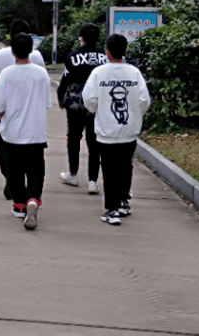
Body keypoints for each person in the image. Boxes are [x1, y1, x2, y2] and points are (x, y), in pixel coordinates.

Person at [83, 33, 151, 226]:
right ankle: (123, 202)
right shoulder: (134, 73)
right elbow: (144, 100)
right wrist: (136, 115)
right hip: (129, 130)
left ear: (107, 52)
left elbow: (89, 100)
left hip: (106, 132)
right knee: (125, 166)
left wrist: (99, 110)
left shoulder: (98, 73)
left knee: (109, 168)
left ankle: (111, 209)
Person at [0, 33, 52, 229]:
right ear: (31, 51)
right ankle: (33, 198)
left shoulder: (6, 74)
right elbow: (46, 103)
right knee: (36, 168)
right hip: (36, 130)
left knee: (16, 170)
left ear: (13, 52)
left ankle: (19, 206)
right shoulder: (41, 73)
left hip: (14, 132)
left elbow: (0, 106)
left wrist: (3, 116)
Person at [0, 19, 47, 200]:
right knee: (36, 164)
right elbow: (45, 98)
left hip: (10, 118)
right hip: (35, 123)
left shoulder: (1, 62)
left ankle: (14, 189)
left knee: (6, 152)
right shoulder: (39, 64)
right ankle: (33, 197)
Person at [57, 23, 105, 195]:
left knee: (74, 138)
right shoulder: (104, 57)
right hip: (97, 104)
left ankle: (73, 174)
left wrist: (61, 98)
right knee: (94, 143)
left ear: (82, 39)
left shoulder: (74, 57)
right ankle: (93, 181)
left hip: (76, 104)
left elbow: (65, 80)